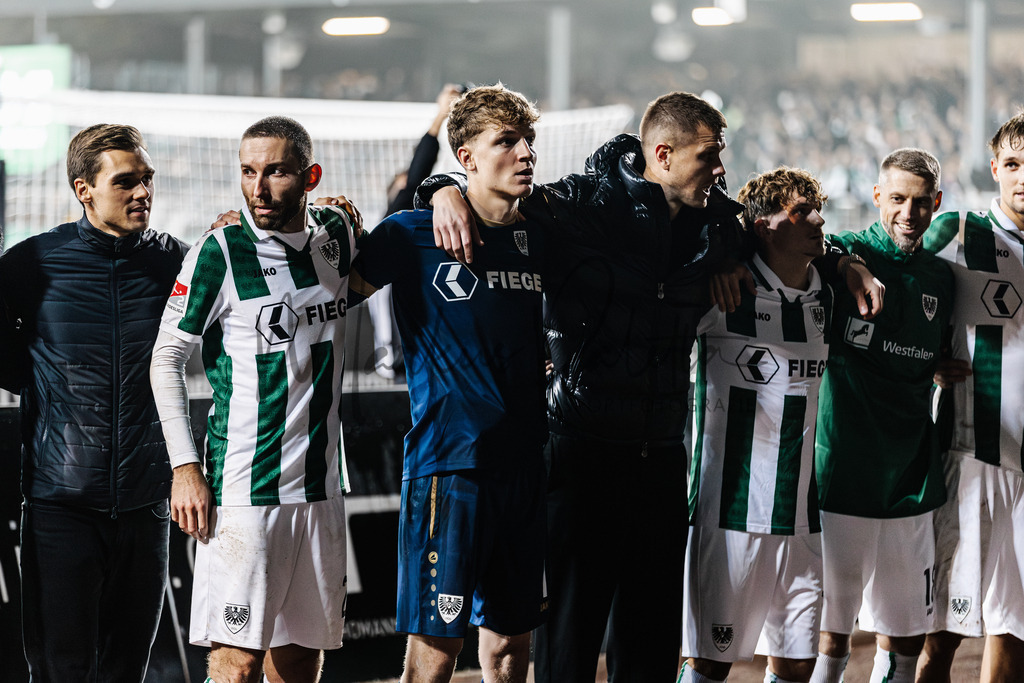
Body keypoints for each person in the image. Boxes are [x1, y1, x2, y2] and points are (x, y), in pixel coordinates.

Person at [422, 92, 882, 683]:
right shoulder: (581, 204)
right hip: (581, 451)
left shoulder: (717, 223)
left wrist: (846, 262)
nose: (720, 170)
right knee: (571, 640)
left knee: (651, 646)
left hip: (661, 459)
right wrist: (438, 190)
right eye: (709, 156)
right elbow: (491, 194)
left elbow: (790, 238)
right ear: (662, 154)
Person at [349, 83, 548, 683]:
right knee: (434, 657)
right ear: (465, 155)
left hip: (524, 466)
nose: (524, 154)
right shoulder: (411, 234)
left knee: (512, 650)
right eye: (506, 142)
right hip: (448, 467)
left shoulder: (544, 234)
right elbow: (332, 293)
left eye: (528, 142)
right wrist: (432, 193)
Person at [150, 116, 359, 683]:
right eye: (247, 171)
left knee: (298, 657)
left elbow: (372, 237)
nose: (258, 189)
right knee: (236, 662)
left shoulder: (337, 234)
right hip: (243, 490)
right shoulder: (218, 252)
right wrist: (185, 468)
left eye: (276, 172)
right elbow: (165, 359)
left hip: (319, 489)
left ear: (309, 176)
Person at [0, 123, 189, 680]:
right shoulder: (31, 263)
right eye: (126, 181)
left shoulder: (175, 262)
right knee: (63, 669)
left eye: (147, 180)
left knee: (125, 669)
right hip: (61, 506)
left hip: (146, 505)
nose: (142, 193)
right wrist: (44, 383)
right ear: (85, 190)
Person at [680, 167, 832, 683]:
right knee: (707, 664)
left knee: (796, 665)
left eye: (816, 206)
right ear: (764, 226)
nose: (817, 218)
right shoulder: (720, 293)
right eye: (800, 210)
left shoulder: (825, 296)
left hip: (801, 518)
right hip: (728, 512)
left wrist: (851, 263)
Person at [811, 148, 953, 683]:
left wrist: (943, 365)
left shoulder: (941, 278)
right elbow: (797, 245)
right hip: (842, 475)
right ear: (876, 197)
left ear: (936, 202)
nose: (908, 213)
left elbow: (942, 348)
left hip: (911, 480)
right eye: (896, 199)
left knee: (906, 634)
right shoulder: (844, 252)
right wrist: (846, 265)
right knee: (831, 630)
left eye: (920, 202)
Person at [915, 112, 1024, 683]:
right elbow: (895, 271)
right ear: (994, 170)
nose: (1022, 176)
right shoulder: (956, 231)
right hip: (974, 456)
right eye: (1012, 164)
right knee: (944, 632)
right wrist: (926, 357)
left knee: (1015, 629)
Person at [369, 83, 463, 379]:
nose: (411, 185)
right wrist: (439, 117)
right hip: (395, 361)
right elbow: (416, 177)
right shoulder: (392, 220)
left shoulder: (415, 228)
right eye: (404, 182)